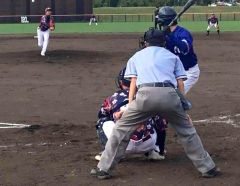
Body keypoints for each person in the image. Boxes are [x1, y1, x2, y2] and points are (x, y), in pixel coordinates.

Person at [90, 28, 220, 180]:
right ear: (164, 42)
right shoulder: (172, 56)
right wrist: (182, 107)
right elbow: (180, 83)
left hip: (144, 95)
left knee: (120, 131)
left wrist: (131, 105)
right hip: (170, 96)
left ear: (146, 42)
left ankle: (104, 169)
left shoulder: (136, 56)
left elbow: (133, 83)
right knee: (187, 132)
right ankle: (208, 168)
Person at [95, 67, 167, 161]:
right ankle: (156, 152)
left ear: (121, 82)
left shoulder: (113, 97)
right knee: (158, 120)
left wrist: (116, 116)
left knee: (102, 121)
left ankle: (110, 153)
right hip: (147, 144)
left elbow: (102, 114)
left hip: (123, 143)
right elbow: (162, 124)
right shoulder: (149, 97)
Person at [158, 6, 200, 94]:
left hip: (188, 72)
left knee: (174, 97)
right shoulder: (163, 35)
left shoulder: (183, 33)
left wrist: (170, 35)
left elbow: (184, 49)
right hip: (172, 72)